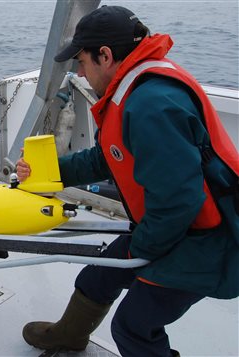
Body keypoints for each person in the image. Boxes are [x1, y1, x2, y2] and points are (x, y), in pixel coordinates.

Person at [17, 5, 239, 357]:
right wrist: (51, 172)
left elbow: (179, 200)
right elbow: (110, 156)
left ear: (105, 55)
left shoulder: (151, 105)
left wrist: (142, 251)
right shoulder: (136, 88)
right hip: (176, 226)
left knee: (133, 327)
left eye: (82, 61)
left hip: (208, 241)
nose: (80, 71)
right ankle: (70, 335)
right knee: (97, 277)